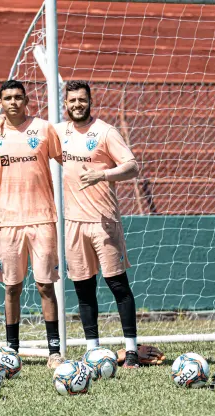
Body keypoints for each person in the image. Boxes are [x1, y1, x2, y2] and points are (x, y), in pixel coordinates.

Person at [53, 80, 142, 368]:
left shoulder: (105, 131)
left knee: (117, 285)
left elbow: (132, 166)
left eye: (82, 99)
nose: (77, 104)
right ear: (65, 103)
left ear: (90, 101)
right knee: (83, 289)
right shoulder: (58, 132)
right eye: (72, 100)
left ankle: (131, 351)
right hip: (73, 224)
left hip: (104, 221)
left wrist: (103, 176)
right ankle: (93, 350)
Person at [0, 80, 65, 369]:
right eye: (8, 98)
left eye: (18, 97)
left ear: (27, 99)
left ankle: (54, 351)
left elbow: (66, 158)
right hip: (8, 221)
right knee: (11, 288)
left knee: (45, 286)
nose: (14, 102)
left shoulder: (44, 129)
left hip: (43, 218)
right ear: (0, 102)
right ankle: (12, 349)